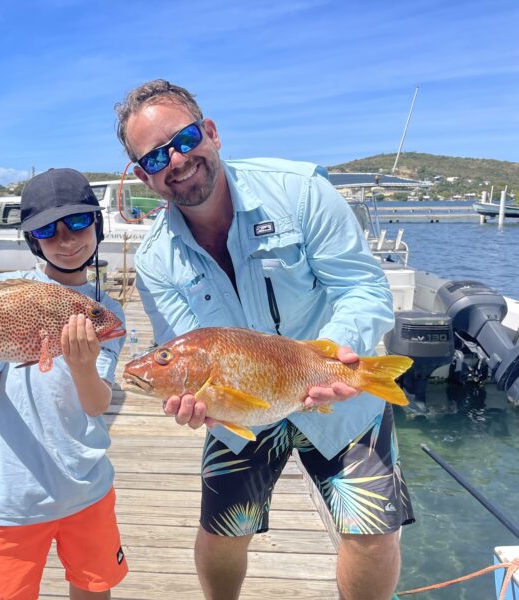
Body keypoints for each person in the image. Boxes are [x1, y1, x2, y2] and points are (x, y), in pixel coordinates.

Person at [114, 80, 414, 600]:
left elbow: (362, 286)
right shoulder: (155, 259)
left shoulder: (299, 192)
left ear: (210, 132)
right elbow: (179, 343)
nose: (177, 161)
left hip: (336, 388)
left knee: (371, 533)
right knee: (224, 531)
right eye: (157, 156)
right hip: (240, 403)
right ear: (145, 175)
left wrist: (338, 352)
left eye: (184, 140)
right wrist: (191, 401)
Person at [0, 168, 128, 600]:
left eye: (77, 223)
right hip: (13, 490)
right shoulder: (7, 294)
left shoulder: (107, 315)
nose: (66, 239)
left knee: (94, 587)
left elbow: (95, 404)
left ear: (96, 224)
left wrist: (84, 367)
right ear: (34, 240)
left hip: (86, 486)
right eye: (48, 230)